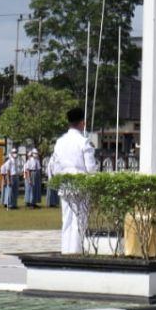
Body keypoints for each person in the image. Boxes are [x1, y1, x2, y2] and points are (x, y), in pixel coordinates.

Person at [50, 107, 97, 254]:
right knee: (80, 220)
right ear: (82, 123)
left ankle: (66, 250)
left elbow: (56, 167)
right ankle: (76, 251)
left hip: (65, 184)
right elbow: (91, 169)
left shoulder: (60, 142)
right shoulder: (84, 142)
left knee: (67, 220)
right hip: (81, 184)